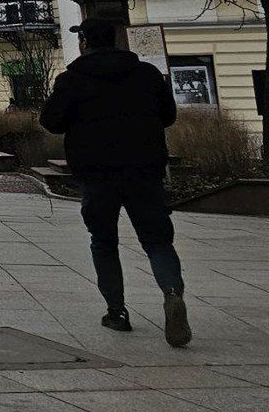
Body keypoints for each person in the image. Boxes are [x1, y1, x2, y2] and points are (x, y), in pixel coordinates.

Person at [40, 17, 189, 347]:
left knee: (103, 241)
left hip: (97, 174)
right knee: (157, 240)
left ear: (85, 43)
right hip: (144, 171)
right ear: (117, 40)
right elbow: (168, 116)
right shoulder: (147, 74)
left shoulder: (73, 80)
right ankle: (172, 292)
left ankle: (117, 312)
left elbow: (51, 121)